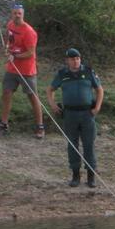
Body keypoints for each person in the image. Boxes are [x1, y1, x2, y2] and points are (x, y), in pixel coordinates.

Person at [46, 48, 104, 188]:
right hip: (70, 114)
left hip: (87, 114)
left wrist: (97, 107)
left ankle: (91, 176)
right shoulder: (62, 74)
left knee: (89, 144)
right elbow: (50, 89)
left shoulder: (88, 72)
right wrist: (53, 105)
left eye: (77, 58)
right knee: (72, 145)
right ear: (67, 60)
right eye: (72, 59)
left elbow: (99, 89)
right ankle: (75, 175)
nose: (76, 61)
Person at [0, 3, 44, 139]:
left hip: (27, 69)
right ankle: (4, 125)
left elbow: (31, 53)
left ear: (23, 14)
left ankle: (40, 126)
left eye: (19, 13)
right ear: (12, 13)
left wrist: (15, 56)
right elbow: (10, 40)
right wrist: (8, 48)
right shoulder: (10, 24)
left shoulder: (29, 31)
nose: (17, 15)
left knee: (32, 96)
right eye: (15, 13)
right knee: (6, 93)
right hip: (12, 68)